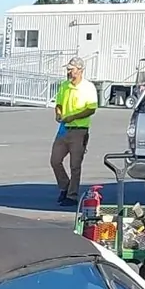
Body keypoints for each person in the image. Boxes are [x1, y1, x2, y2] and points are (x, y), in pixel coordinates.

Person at [50, 58, 99, 206]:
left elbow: (91, 109)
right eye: (68, 69)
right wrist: (58, 113)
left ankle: (72, 195)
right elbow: (59, 103)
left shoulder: (88, 87)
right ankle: (65, 186)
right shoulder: (65, 85)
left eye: (71, 69)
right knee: (55, 160)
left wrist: (74, 117)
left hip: (79, 131)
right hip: (64, 129)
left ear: (80, 70)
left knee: (75, 165)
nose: (69, 72)